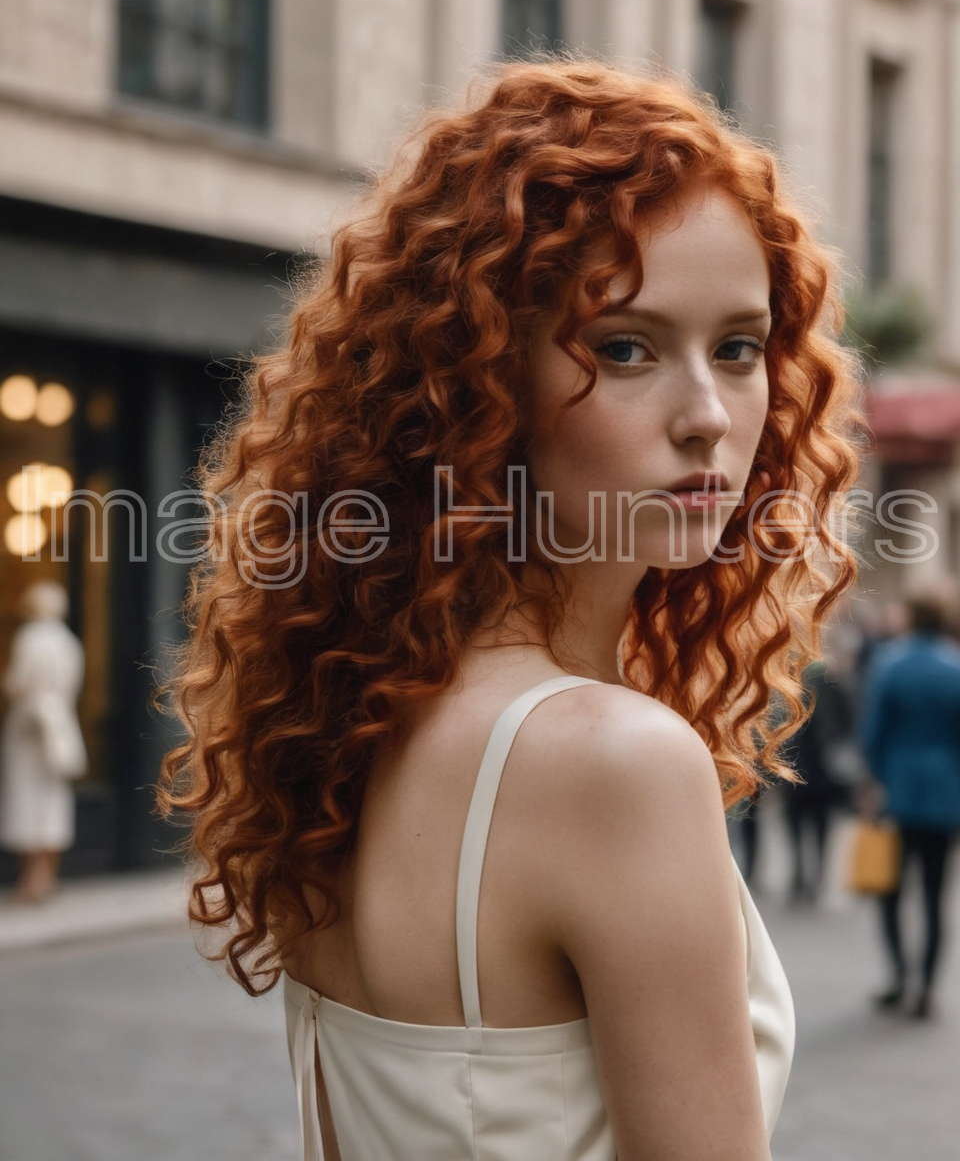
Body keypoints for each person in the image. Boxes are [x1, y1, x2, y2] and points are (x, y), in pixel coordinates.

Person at [159, 61, 862, 1160]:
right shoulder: (613, 759)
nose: (708, 416)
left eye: (738, 347)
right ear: (478, 380)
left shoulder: (344, 707)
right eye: (625, 347)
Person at [859, 593, 960, 1019]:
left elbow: (873, 732)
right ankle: (927, 987)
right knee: (936, 895)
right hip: (945, 792)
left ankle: (900, 974)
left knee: (890, 890)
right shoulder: (955, 668)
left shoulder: (890, 663)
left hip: (896, 789)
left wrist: (872, 779)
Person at [0, 580, 87, 902]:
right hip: (60, 727)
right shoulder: (68, 642)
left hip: (29, 730)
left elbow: (18, 683)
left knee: (26, 801)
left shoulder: (31, 638)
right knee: (52, 802)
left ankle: (30, 881)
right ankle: (46, 877)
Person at [783, 658, 854, 903]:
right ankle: (815, 876)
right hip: (822, 769)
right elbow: (848, 723)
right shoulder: (835, 685)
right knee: (820, 825)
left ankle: (800, 876)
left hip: (796, 767)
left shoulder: (791, 687)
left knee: (796, 824)